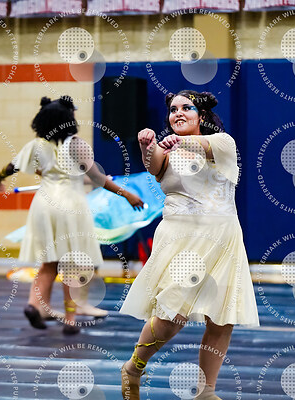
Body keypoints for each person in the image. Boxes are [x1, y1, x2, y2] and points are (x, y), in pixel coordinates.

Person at [119, 90, 259, 399]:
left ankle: (206, 391)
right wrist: (147, 145)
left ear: (202, 116)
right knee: (172, 315)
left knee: (221, 319)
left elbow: (202, 146)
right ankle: (134, 367)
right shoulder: (167, 149)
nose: (178, 113)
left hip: (223, 238)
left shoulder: (223, 143)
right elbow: (153, 166)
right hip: (180, 240)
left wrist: (176, 141)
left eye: (187, 108)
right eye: (173, 109)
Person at [0, 95, 144, 334]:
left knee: (49, 262)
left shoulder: (36, 145)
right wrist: (127, 194)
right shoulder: (76, 144)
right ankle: (70, 318)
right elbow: (97, 178)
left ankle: (34, 305)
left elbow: (13, 167)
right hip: (69, 206)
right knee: (73, 264)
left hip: (43, 205)